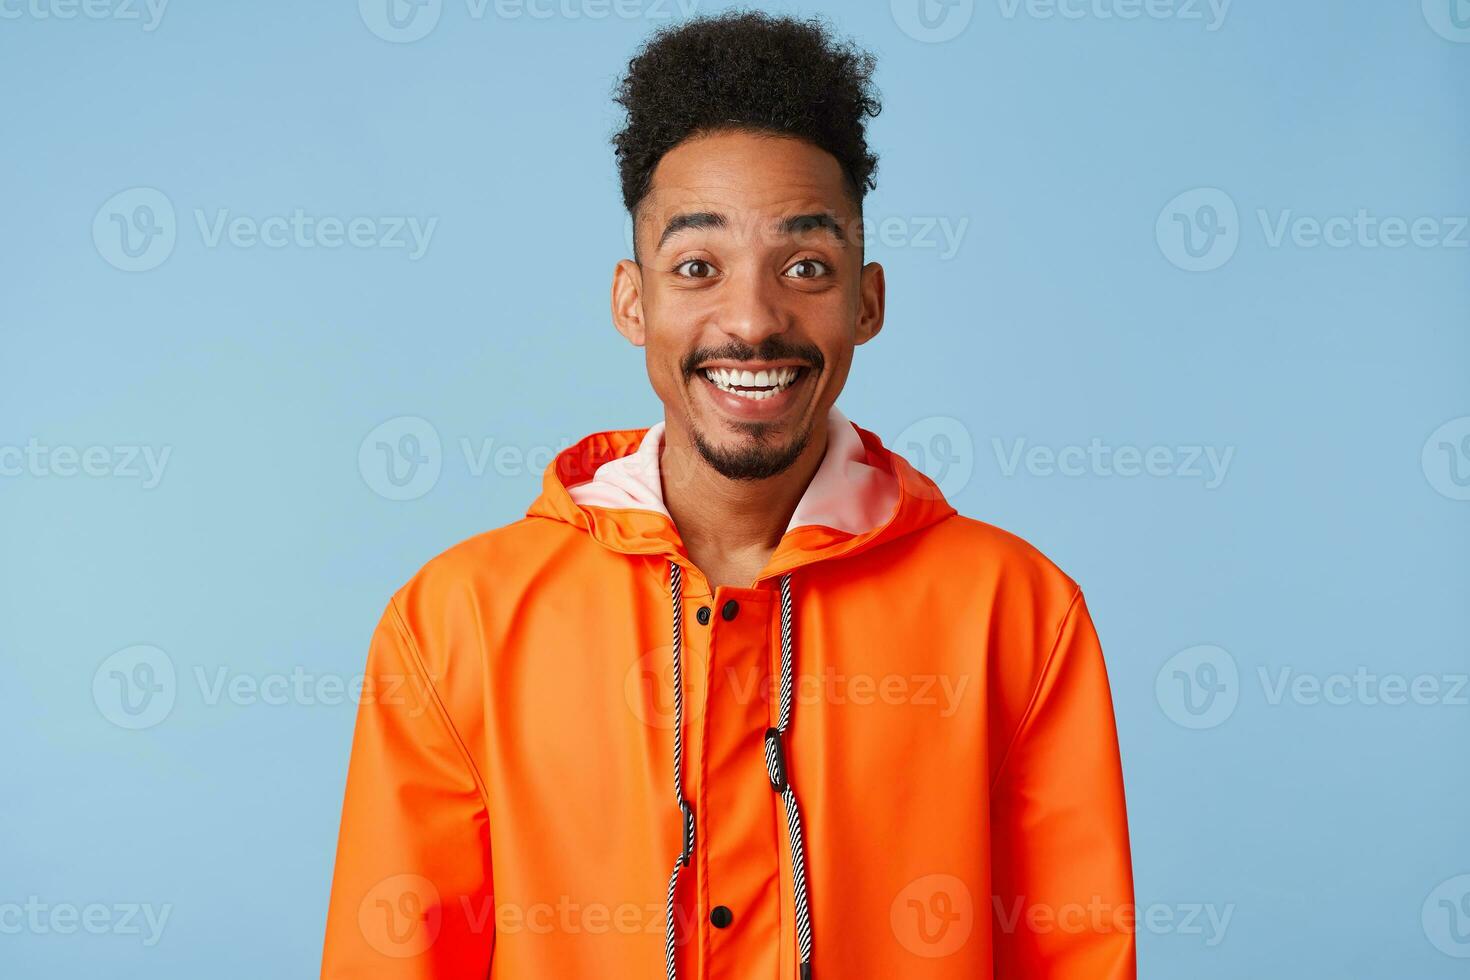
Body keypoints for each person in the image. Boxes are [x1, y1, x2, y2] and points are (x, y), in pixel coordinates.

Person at [321, 11, 1134, 979]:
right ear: (634, 300)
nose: (752, 319)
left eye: (806, 267)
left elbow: (1071, 950)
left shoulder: (1017, 610)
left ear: (868, 300)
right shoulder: (456, 618)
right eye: (697, 267)